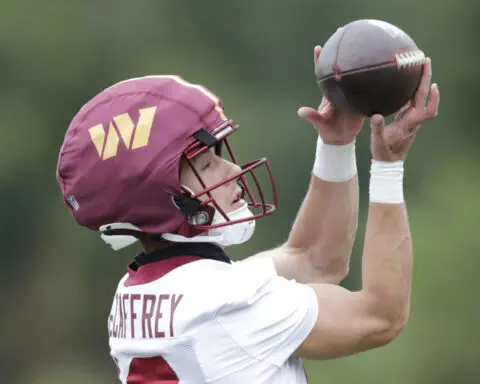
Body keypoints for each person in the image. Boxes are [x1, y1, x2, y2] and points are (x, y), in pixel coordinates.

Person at [56, 46, 440, 383]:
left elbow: (314, 260)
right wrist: (389, 165)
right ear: (158, 198)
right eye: (206, 166)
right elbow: (381, 316)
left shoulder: (141, 291)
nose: (231, 172)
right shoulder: (224, 303)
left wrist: (337, 144)